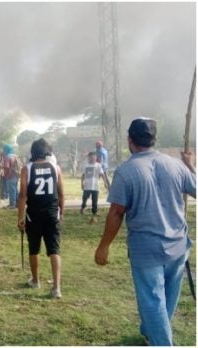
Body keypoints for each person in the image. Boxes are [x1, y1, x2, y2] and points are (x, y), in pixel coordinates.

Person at [94, 118, 196, 346]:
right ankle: (151, 332)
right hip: (178, 245)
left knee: (152, 300)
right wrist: (190, 166)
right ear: (155, 140)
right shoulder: (175, 165)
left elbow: (116, 213)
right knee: (167, 298)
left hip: (146, 249)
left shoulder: (126, 171)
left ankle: (161, 342)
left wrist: (104, 246)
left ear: (130, 140)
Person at [17, 138, 65, 298]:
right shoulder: (56, 168)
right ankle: (56, 288)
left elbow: (23, 195)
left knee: (34, 249)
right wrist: (61, 213)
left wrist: (20, 217)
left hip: (34, 215)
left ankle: (36, 280)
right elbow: (61, 194)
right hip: (52, 214)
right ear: (47, 152)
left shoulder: (27, 169)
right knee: (54, 250)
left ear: (33, 152)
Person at [80, 151, 110, 223]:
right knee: (85, 198)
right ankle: (83, 208)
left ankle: (94, 212)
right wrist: (82, 183)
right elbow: (83, 175)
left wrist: (105, 183)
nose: (92, 159)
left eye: (94, 157)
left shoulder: (98, 165)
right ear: (88, 158)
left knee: (95, 200)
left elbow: (102, 175)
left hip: (95, 186)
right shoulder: (86, 165)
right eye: (90, 157)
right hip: (87, 185)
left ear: (96, 158)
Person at [2, 144, 19, 208]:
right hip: (16, 175)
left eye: (4, 149)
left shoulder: (7, 157)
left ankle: (12, 204)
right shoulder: (15, 156)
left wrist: (7, 175)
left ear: (6, 150)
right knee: (15, 189)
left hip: (10, 175)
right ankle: (17, 203)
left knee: (11, 190)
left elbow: (7, 167)